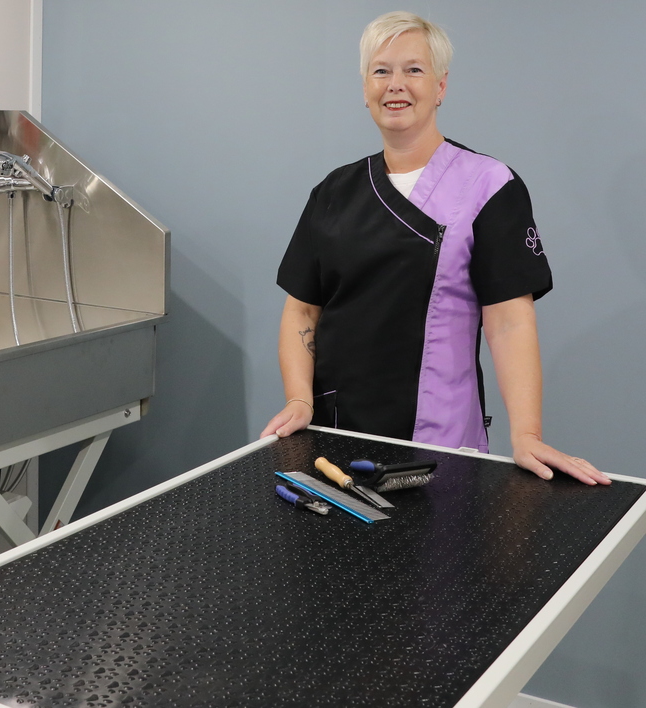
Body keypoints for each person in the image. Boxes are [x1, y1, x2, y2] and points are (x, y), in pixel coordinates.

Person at [260, 11, 608, 486]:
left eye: (414, 69)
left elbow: (509, 321)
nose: (395, 84)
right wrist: (300, 399)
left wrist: (526, 434)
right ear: (365, 88)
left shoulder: (488, 185)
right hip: (334, 436)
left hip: (439, 444)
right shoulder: (333, 192)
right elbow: (302, 309)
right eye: (381, 71)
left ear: (440, 86)